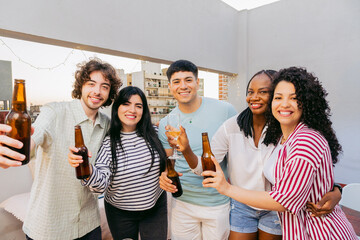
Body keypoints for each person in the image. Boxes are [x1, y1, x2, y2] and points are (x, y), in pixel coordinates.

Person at [165, 69, 342, 240]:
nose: (255, 97)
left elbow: (306, 172)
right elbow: (206, 165)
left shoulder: (288, 130)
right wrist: (187, 149)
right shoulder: (234, 126)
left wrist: (335, 189)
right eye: (251, 91)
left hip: (279, 210)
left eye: (264, 92)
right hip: (245, 205)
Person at [0, 58, 122, 240]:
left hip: (89, 225)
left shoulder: (106, 125)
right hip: (49, 227)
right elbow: (33, 140)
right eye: (91, 84)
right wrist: (14, 148)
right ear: (81, 86)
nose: (97, 91)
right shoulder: (54, 112)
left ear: (109, 92)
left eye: (104, 86)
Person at [68, 86, 168, 240]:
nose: (132, 110)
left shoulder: (154, 133)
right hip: (120, 213)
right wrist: (86, 168)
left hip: (155, 207)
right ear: (117, 108)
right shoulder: (109, 142)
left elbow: (171, 158)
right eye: (126, 104)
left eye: (138, 106)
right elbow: (100, 185)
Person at [158, 60, 238, 240]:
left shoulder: (224, 110)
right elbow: (168, 163)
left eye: (188, 80)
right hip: (182, 204)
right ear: (170, 86)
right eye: (177, 81)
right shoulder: (166, 122)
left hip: (217, 202)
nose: (183, 86)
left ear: (197, 83)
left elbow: (238, 152)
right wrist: (163, 176)